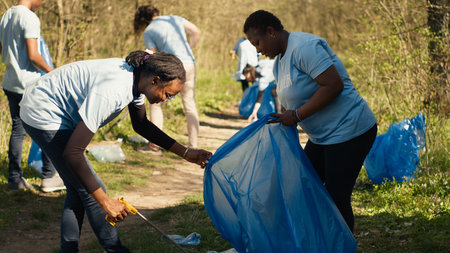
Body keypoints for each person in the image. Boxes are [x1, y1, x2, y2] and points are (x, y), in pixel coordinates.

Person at [19, 50, 213, 252]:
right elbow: (72, 153)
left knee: (79, 188)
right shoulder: (114, 90)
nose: (166, 100)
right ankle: (116, 250)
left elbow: (141, 125)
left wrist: (186, 152)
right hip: (42, 111)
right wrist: (105, 202)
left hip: (53, 109)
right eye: (168, 94)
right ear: (155, 80)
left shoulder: (137, 80)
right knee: (92, 189)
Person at [243, 10, 377, 232]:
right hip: (322, 137)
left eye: (257, 42)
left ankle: (341, 246)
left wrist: (296, 116)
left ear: (271, 32)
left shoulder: (304, 47)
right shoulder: (279, 62)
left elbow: (334, 85)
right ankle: (314, 240)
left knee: (336, 196)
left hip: (350, 130)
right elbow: (290, 101)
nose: (257, 50)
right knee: (304, 187)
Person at [0, 0, 65, 192]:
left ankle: (14, 179)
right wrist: (53, 72)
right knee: (48, 125)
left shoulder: (6, 16)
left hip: (11, 82)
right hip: (30, 84)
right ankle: (49, 177)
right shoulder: (30, 18)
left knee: (18, 131)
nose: (42, 2)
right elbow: (34, 56)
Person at [134, 5, 201, 154]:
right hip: (189, 62)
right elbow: (196, 32)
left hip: (171, 68)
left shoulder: (149, 31)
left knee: (156, 104)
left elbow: (151, 57)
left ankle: (154, 146)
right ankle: (194, 145)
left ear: (143, 19)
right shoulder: (175, 19)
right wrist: (188, 49)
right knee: (189, 103)